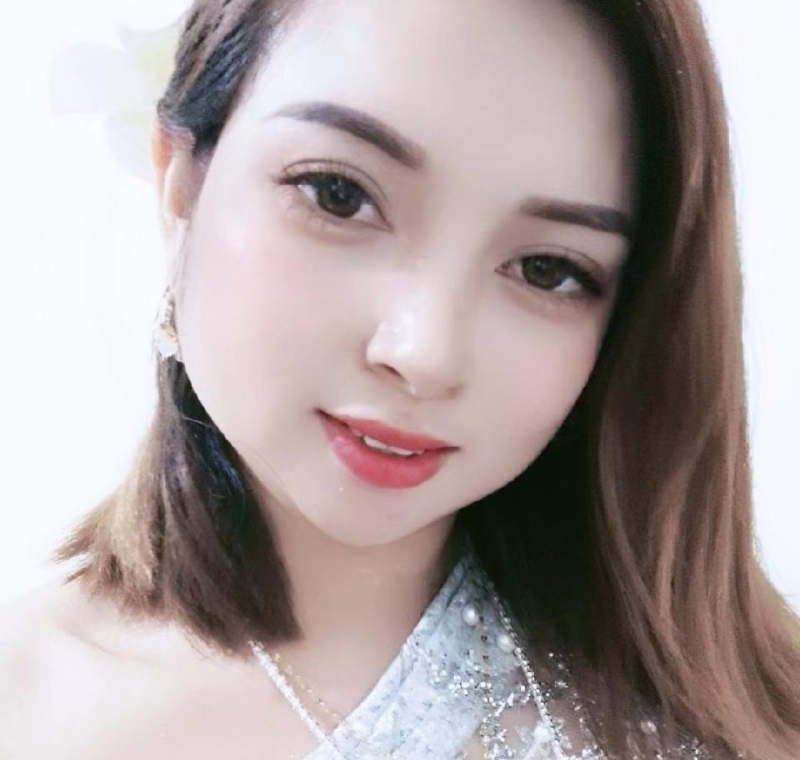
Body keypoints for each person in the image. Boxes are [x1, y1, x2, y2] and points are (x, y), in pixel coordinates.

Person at [1, 0, 799, 757]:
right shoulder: (27, 711)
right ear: (180, 181)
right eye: (339, 195)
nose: (424, 353)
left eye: (548, 269)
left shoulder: (736, 719)